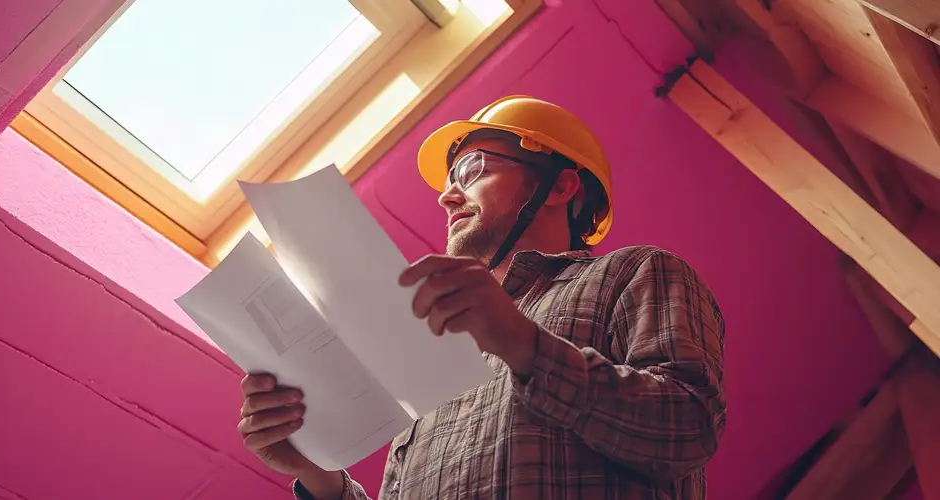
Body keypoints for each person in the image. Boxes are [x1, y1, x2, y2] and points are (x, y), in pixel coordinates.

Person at [236, 96, 727, 499]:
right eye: (448, 182)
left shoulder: (634, 272)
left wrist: (521, 343)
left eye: (471, 170)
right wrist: (318, 472)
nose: (446, 197)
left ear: (560, 185)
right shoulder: (436, 351)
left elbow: (688, 429)